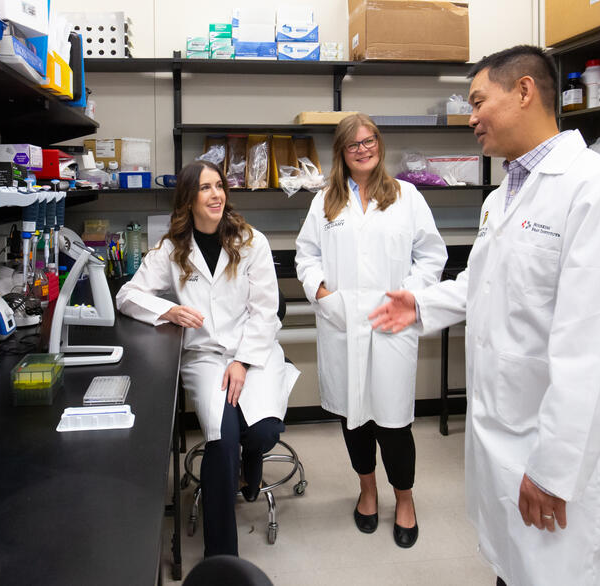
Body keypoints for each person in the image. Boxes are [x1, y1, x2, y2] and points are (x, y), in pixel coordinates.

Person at [368, 45, 600, 585]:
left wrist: (554, 471)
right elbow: (489, 283)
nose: (470, 116)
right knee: (513, 570)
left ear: (524, 91)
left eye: (478, 101)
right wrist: (423, 303)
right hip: (508, 439)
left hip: (557, 462)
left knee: (553, 574)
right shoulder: (505, 195)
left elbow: (594, 353)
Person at [116, 160, 299, 558]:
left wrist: (243, 361)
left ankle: (251, 460)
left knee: (263, 432)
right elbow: (127, 296)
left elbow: (266, 311)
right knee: (222, 438)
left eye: (220, 186)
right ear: (188, 199)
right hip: (205, 356)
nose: (216, 194)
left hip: (254, 350)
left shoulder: (252, 241)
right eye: (205, 188)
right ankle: (222, 558)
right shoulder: (172, 249)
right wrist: (167, 311)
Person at [295, 113, 447, 548]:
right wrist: (322, 292)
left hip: (391, 324)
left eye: (369, 141)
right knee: (353, 416)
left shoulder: (408, 196)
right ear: (342, 153)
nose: (363, 149)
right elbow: (306, 256)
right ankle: (366, 490)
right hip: (343, 323)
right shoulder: (325, 200)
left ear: (379, 145)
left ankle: (404, 499)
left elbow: (431, 256)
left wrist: (410, 296)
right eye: (353, 144)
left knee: (394, 422)